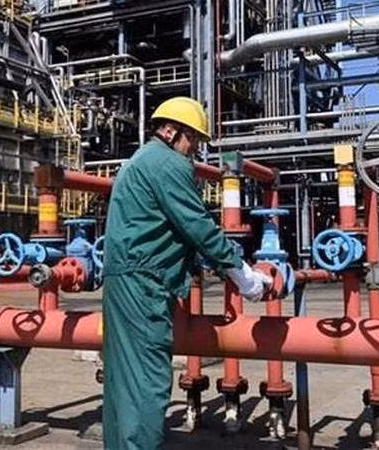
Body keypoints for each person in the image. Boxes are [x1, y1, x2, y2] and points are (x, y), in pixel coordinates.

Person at [101, 97, 273, 449]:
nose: (193, 149)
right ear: (171, 131)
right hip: (144, 285)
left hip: (123, 281)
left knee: (123, 382)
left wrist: (195, 263)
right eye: (192, 139)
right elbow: (197, 225)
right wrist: (243, 274)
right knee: (148, 382)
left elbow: (164, 227)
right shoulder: (167, 163)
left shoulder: (140, 161)